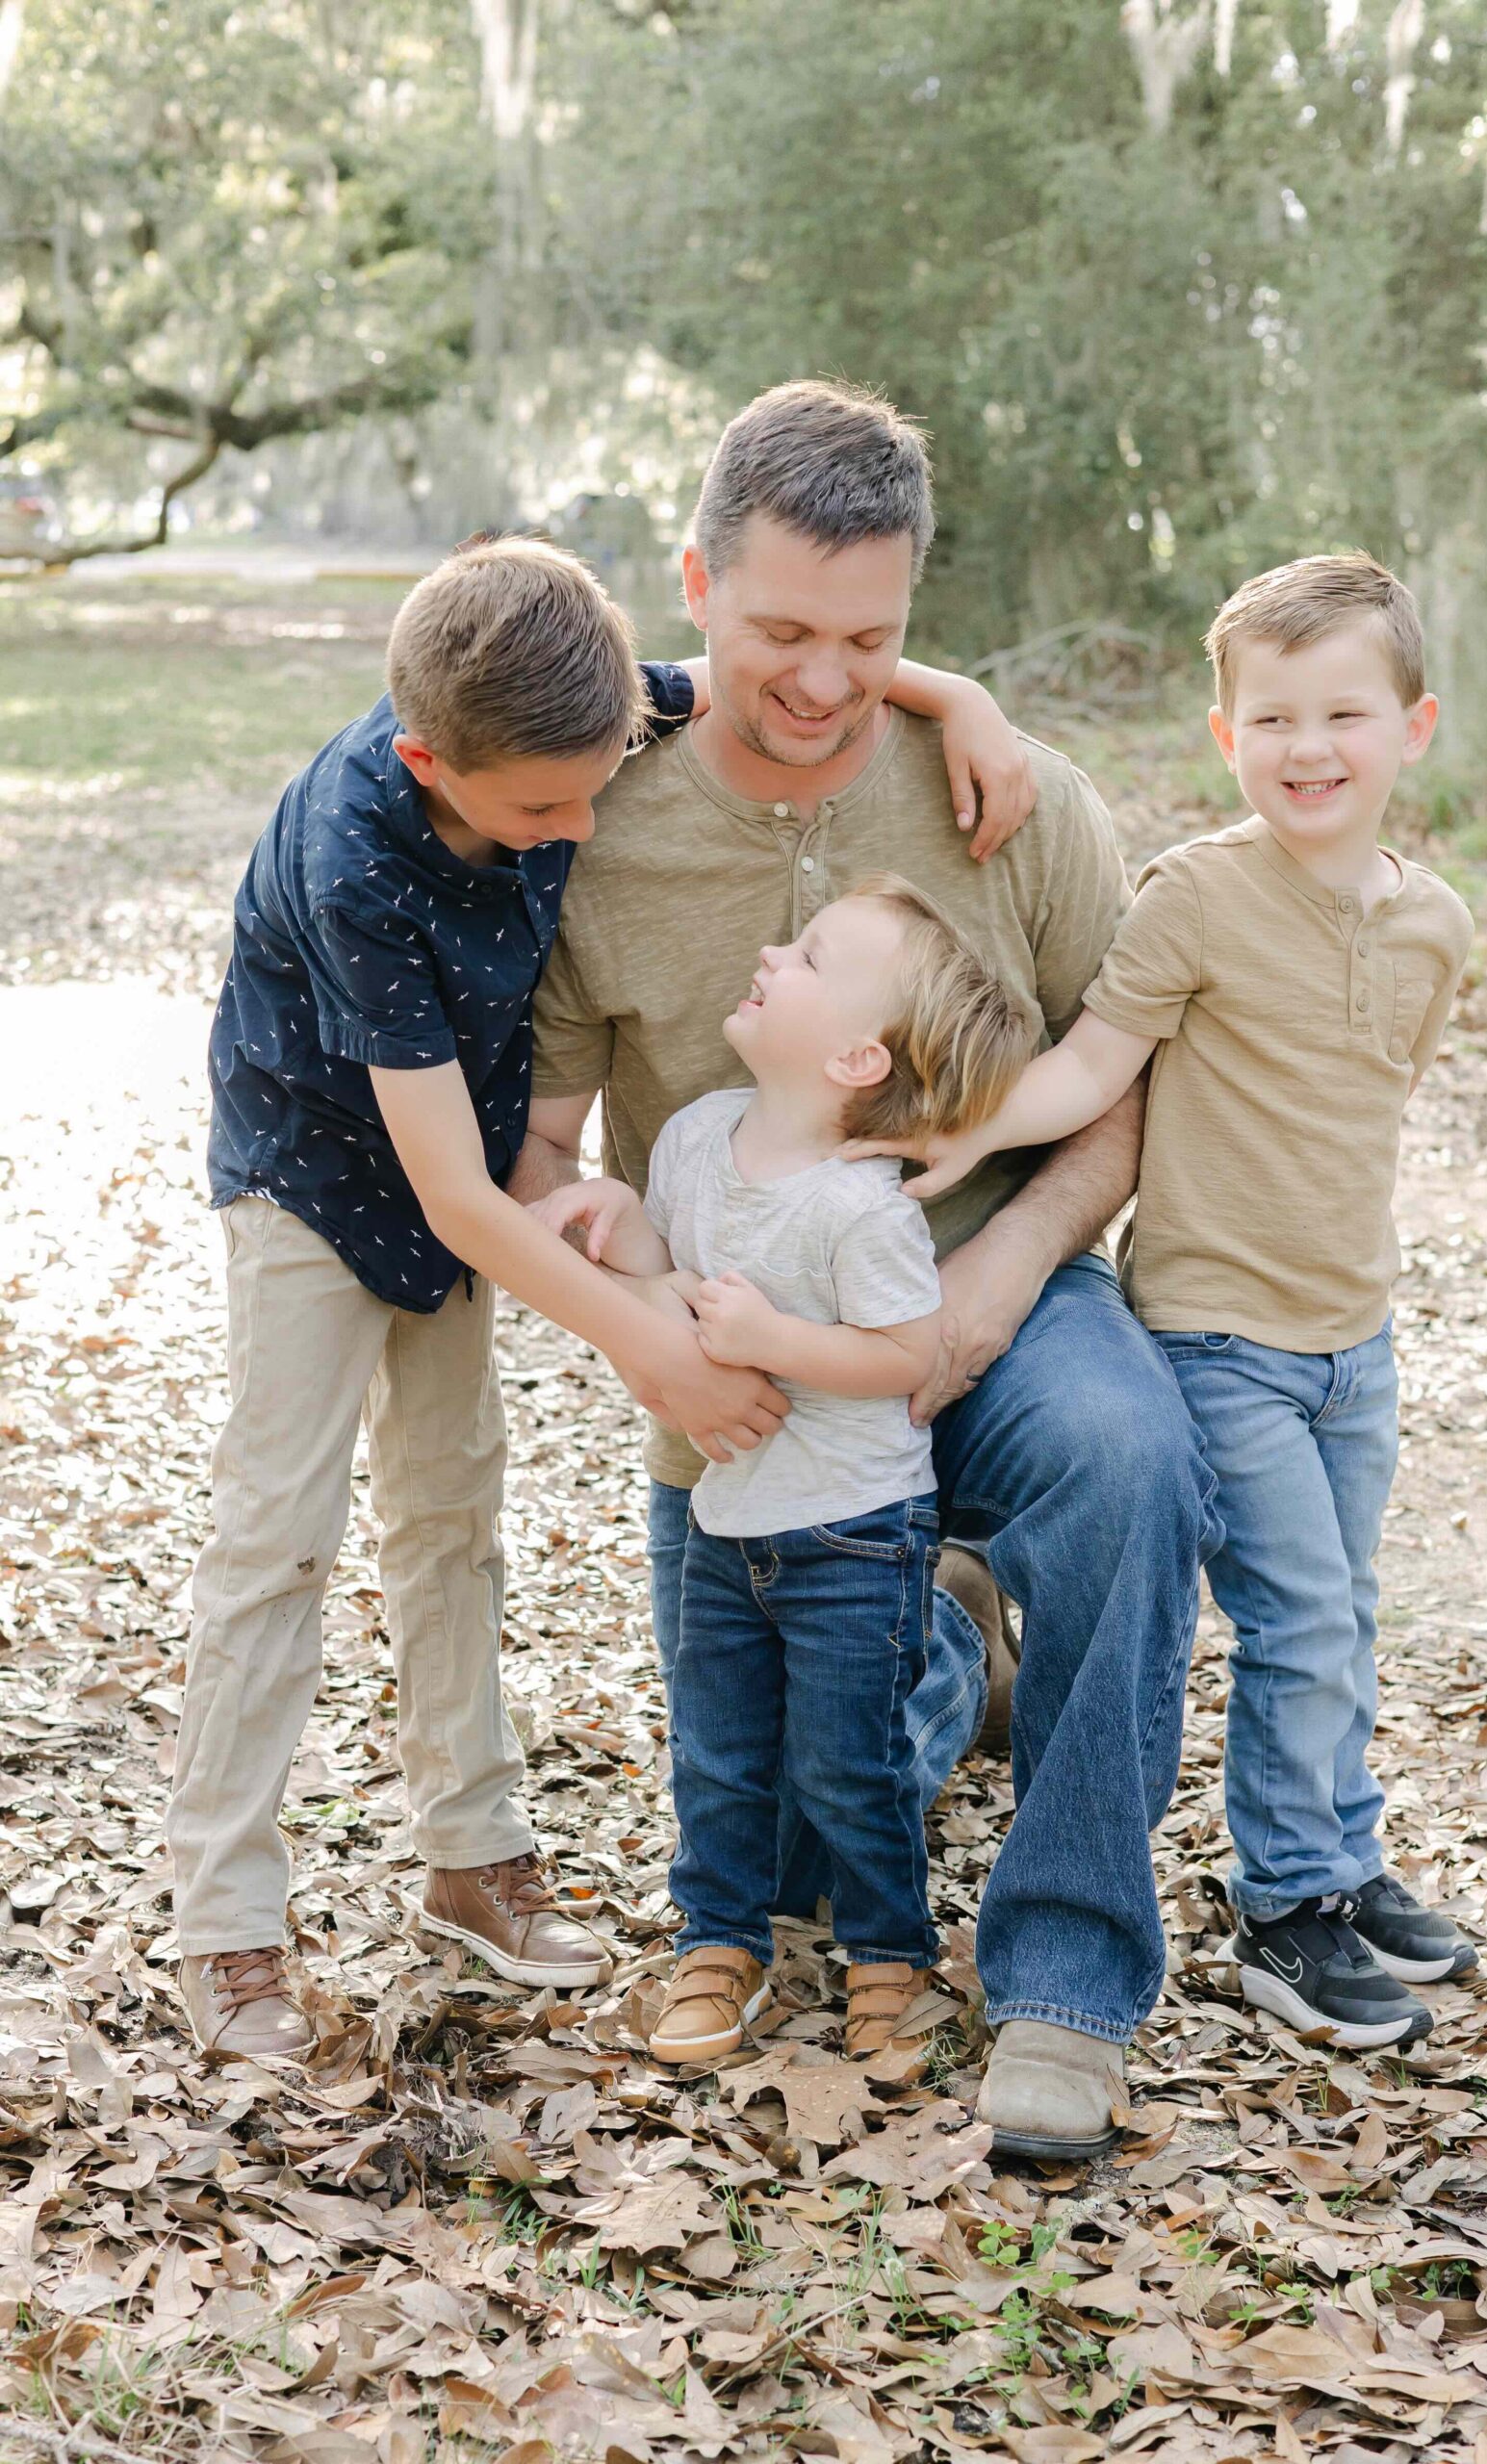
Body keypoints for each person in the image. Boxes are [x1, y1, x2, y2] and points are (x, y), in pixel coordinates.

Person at [169, 531, 1031, 2062]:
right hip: (319, 1178)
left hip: (469, 1182)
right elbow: (444, 1191)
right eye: (542, 813)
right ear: (430, 759)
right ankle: (227, 1927)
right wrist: (652, 1345)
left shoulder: (584, 709)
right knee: (278, 1535)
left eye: (599, 784)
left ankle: (472, 1858)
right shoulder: (356, 855)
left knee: (450, 1507)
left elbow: (779, 674)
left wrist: (959, 696)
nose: (581, 827)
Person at [515, 379, 1217, 2156]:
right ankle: (947, 1661)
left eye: (873, 637)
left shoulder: (1011, 793)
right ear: (693, 583)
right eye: (777, 634)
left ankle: (1064, 1984)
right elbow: (535, 1162)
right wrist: (643, 1338)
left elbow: (1123, 1092)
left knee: (1132, 1461)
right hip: (744, 1355)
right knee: (809, 1854)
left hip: (997, 1289)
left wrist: (996, 1290)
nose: (826, 682)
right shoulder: (600, 821)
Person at [869, 553, 1477, 2050]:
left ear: (1413, 728)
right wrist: (968, 1132)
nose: (1306, 747)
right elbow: (1090, 1072)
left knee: (1339, 1609)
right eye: (1269, 718)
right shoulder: (1194, 898)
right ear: (1224, 738)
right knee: (1299, 1613)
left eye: (1341, 712)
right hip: (1218, 1336)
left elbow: (1376, 1091)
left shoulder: (1432, 924)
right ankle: (1285, 1910)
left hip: (1356, 1338)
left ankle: (1338, 1849)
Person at [540, 880, 1032, 2065]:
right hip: (727, 1521)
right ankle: (716, 1942)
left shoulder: (859, 1207)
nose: (770, 951)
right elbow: (675, 1262)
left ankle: (887, 1959)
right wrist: (622, 1215)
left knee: (847, 1762)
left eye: (808, 956)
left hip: (856, 1532)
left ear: (861, 1055)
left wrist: (775, 1345)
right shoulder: (702, 1134)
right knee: (716, 1749)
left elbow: (908, 1356)